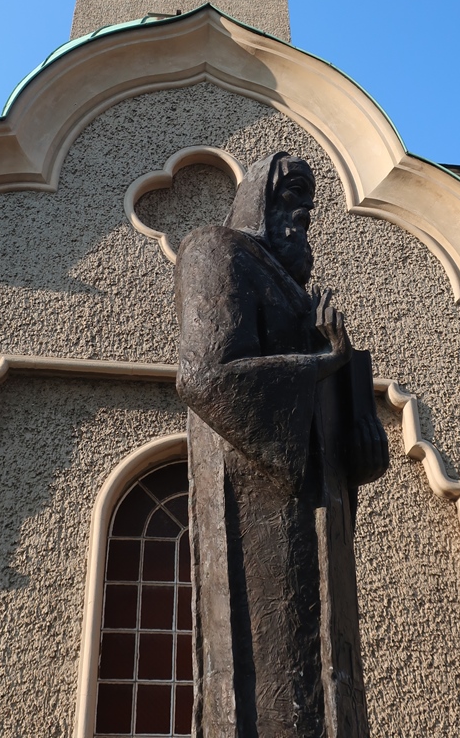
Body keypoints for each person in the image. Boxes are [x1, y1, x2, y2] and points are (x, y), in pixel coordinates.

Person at [175, 152, 388, 738]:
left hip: (316, 515)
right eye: (291, 198)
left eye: (308, 205)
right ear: (257, 202)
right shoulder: (218, 250)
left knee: (330, 682)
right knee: (269, 682)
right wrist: (323, 362)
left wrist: (361, 448)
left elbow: (326, 421)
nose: (303, 215)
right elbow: (206, 378)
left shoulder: (302, 298)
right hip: (258, 509)